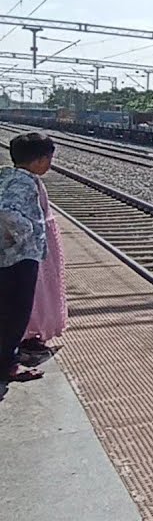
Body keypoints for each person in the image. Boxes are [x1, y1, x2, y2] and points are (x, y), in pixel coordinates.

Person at [0, 132, 55, 383]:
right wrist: (27, 234)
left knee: (9, 311)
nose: (50, 163)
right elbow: (6, 211)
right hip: (19, 259)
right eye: (48, 158)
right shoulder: (24, 183)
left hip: (9, 258)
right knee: (16, 313)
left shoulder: (9, 176)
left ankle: (7, 360)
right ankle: (7, 365)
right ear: (38, 160)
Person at [19, 171, 65, 366]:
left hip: (30, 246)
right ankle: (29, 334)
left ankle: (27, 333)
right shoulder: (31, 183)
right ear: (40, 160)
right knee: (40, 290)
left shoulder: (11, 179)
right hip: (37, 245)